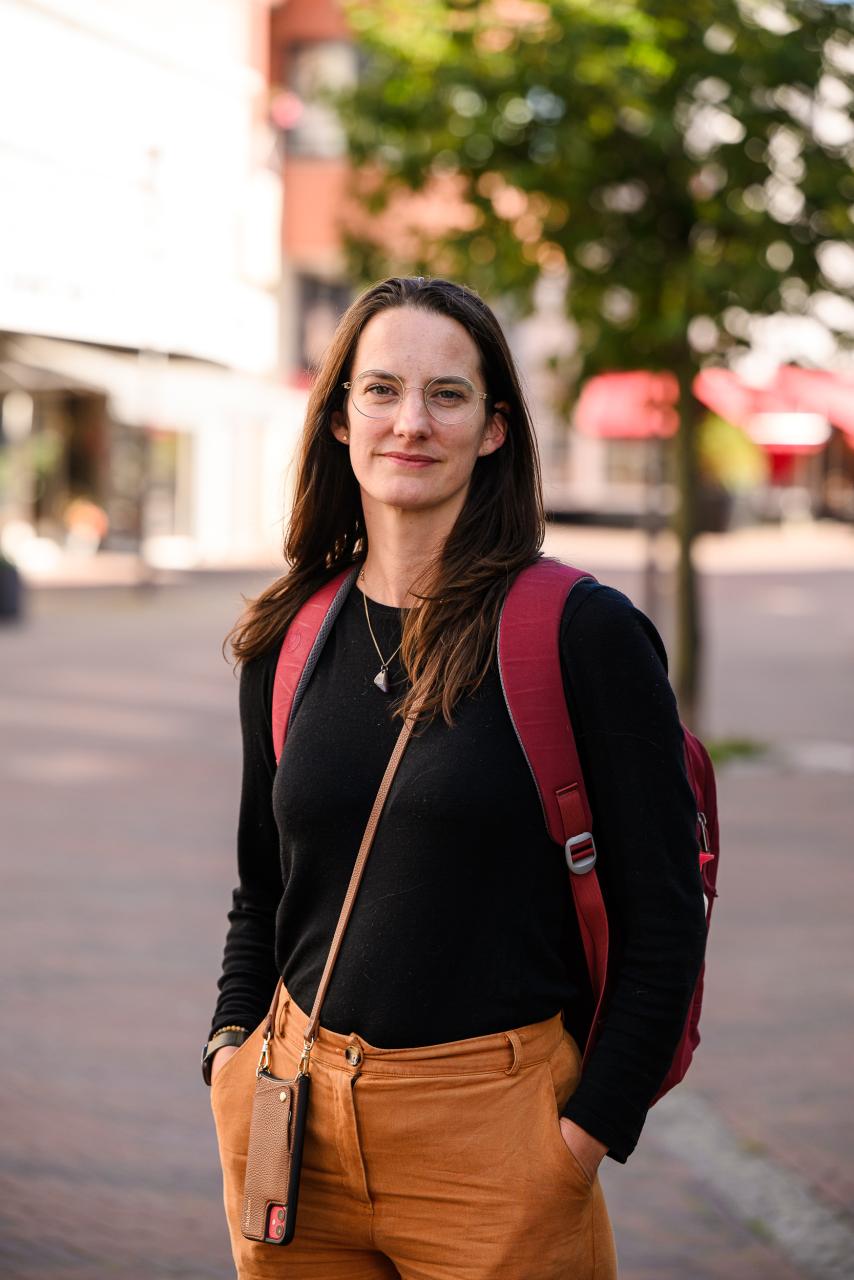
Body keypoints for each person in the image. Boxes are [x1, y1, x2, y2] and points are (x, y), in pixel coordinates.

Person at [203, 276, 707, 1279]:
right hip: (290, 1116)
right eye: (380, 389)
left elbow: (664, 917)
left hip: (496, 1140)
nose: (409, 421)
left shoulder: (579, 633)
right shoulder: (291, 637)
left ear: (492, 429)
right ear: (339, 417)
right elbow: (263, 887)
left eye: (446, 394)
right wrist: (226, 1047)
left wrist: (582, 1133)